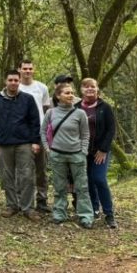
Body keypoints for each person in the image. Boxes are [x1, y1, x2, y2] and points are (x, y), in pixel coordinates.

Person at [0, 70, 42, 221]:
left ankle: (28, 208)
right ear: (5, 81)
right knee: (7, 176)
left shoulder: (28, 99)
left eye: (15, 80)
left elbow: (35, 122)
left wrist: (35, 141)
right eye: (10, 80)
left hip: (24, 143)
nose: (13, 82)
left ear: (19, 82)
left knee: (27, 176)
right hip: (4, 144)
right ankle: (12, 205)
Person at [41, 83, 94, 228]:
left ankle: (85, 216)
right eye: (67, 93)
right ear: (58, 96)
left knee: (82, 187)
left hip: (77, 155)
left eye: (72, 92)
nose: (71, 95)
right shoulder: (50, 113)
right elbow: (43, 132)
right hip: (57, 155)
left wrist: (83, 151)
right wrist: (47, 149)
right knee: (59, 187)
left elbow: (85, 134)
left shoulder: (80, 113)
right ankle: (59, 214)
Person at [77, 78, 118, 228]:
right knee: (88, 180)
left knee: (99, 179)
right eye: (86, 87)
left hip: (100, 151)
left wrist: (103, 149)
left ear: (97, 89)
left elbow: (111, 130)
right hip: (82, 152)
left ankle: (109, 213)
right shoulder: (75, 107)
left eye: (92, 87)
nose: (90, 89)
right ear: (81, 89)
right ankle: (94, 209)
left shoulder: (104, 107)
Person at [18, 59, 52, 212]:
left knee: (41, 169)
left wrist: (47, 132)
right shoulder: (14, 86)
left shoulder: (42, 87)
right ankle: (25, 201)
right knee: (24, 170)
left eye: (30, 68)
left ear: (34, 70)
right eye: (25, 68)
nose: (27, 71)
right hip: (21, 134)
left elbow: (46, 110)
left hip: (39, 133)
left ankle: (42, 200)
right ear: (19, 70)